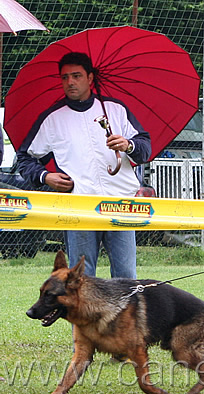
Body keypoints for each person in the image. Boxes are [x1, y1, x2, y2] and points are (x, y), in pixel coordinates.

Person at [17, 52, 151, 279]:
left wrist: (128, 145)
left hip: (120, 201)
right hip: (78, 205)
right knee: (82, 278)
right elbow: (24, 158)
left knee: (126, 276)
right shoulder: (52, 118)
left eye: (76, 76)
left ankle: (124, 316)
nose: (70, 82)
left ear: (90, 78)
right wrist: (45, 177)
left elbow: (145, 147)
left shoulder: (115, 109)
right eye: (65, 77)